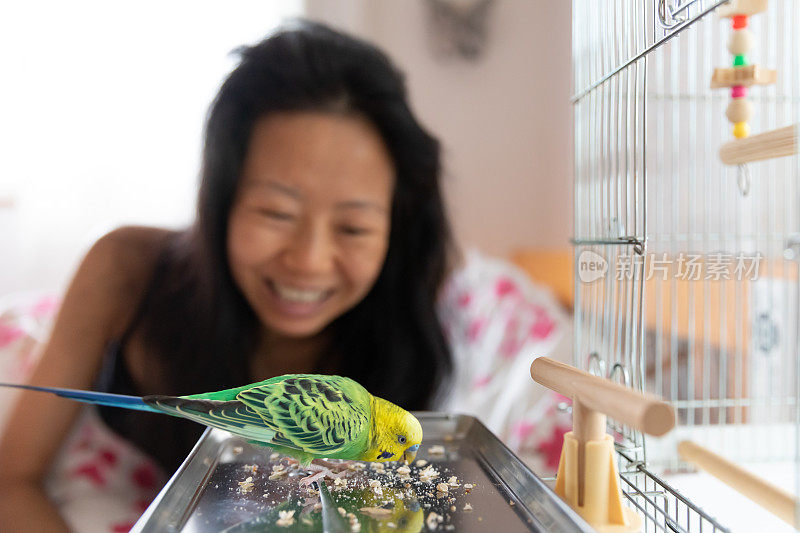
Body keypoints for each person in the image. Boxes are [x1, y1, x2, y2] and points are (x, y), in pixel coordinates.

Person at [0, 20, 454, 531]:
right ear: (221, 202)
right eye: (277, 214)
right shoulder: (122, 269)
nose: (309, 260)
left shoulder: (408, 316)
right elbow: (12, 480)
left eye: (353, 227)